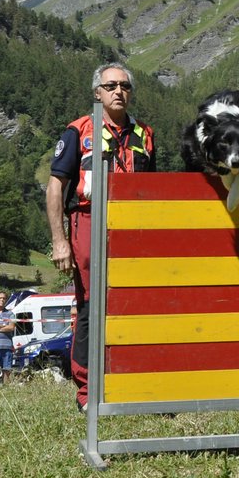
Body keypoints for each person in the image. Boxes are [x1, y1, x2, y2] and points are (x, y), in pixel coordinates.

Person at [47, 62, 156, 409]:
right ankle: (87, 390)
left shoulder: (145, 134)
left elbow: (154, 190)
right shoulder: (78, 131)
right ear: (97, 92)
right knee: (92, 305)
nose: (118, 92)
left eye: (124, 86)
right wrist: (59, 240)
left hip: (134, 227)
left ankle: (131, 381)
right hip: (88, 219)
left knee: (134, 303)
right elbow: (54, 188)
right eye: (110, 86)